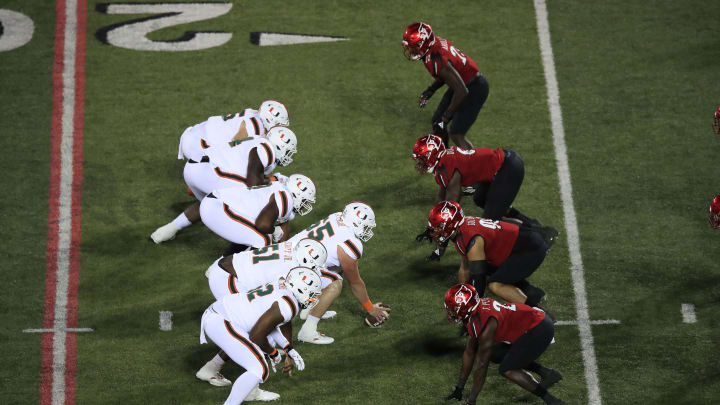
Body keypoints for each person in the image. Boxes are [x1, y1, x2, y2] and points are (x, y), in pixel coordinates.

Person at [196, 239, 327, 399]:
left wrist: (288, 348)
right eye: (314, 266)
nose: (315, 270)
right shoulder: (289, 281)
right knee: (258, 352)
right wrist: (274, 353)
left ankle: (216, 368)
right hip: (227, 281)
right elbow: (263, 330)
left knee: (255, 329)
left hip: (224, 287)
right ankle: (249, 389)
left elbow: (274, 318)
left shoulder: (289, 270)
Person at [150, 127, 297, 244]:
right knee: (245, 206)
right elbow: (253, 182)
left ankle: (170, 228)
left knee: (213, 200)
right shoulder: (267, 150)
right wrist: (268, 184)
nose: (288, 156)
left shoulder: (258, 139)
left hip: (195, 166)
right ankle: (233, 263)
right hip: (207, 171)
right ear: (280, 146)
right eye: (288, 151)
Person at [286, 201, 390, 344]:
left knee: (335, 267)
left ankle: (311, 306)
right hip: (294, 268)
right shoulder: (350, 243)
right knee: (335, 283)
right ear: (356, 224)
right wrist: (370, 308)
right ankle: (308, 330)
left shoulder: (337, 216)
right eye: (365, 226)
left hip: (290, 254)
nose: (367, 230)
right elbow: (355, 282)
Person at [443, 284, 565, 405]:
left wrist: (471, 400)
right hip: (532, 325)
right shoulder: (476, 313)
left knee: (507, 369)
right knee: (495, 354)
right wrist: (460, 388)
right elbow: (469, 352)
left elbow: (481, 366)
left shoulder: (484, 324)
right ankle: (546, 373)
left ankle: (552, 400)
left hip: (538, 329)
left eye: (452, 309)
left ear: (465, 308)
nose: (450, 312)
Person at [427, 200, 555, 307]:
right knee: (488, 268)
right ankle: (533, 293)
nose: (435, 231)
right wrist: (463, 292)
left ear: (451, 225)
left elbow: (479, 278)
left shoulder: (469, 238)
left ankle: (539, 314)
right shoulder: (463, 229)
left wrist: (473, 307)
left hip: (528, 249)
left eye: (439, 227)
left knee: (495, 285)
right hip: (519, 246)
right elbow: (465, 268)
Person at [151, 174, 316, 247]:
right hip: (220, 211)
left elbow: (281, 220)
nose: (304, 205)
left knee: (250, 232)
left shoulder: (279, 184)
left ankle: (170, 228)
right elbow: (263, 224)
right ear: (296, 194)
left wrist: (282, 240)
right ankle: (226, 271)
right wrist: (275, 233)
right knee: (263, 240)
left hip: (211, 201)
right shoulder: (285, 198)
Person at [412, 133, 543, 224]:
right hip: (502, 166)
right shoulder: (444, 163)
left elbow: (451, 205)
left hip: (506, 168)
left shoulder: (448, 167)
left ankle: (536, 234)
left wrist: (441, 234)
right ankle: (529, 223)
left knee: (490, 224)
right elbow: (442, 197)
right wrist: (435, 218)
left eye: (422, 158)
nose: (419, 163)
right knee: (480, 198)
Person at [402, 22, 489, 149]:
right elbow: (448, 74)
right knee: (437, 122)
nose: (410, 49)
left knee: (456, 134)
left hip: (474, 88)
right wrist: (431, 90)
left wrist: (446, 117)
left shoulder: (435, 59)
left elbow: (462, 91)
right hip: (464, 83)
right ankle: (446, 158)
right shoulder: (435, 46)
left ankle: (475, 166)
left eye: (413, 46)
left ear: (423, 44)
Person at [178, 100, 289, 162]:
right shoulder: (253, 128)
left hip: (195, 132)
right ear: (271, 119)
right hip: (197, 146)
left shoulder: (253, 112)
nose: (279, 126)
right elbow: (233, 147)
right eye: (278, 123)